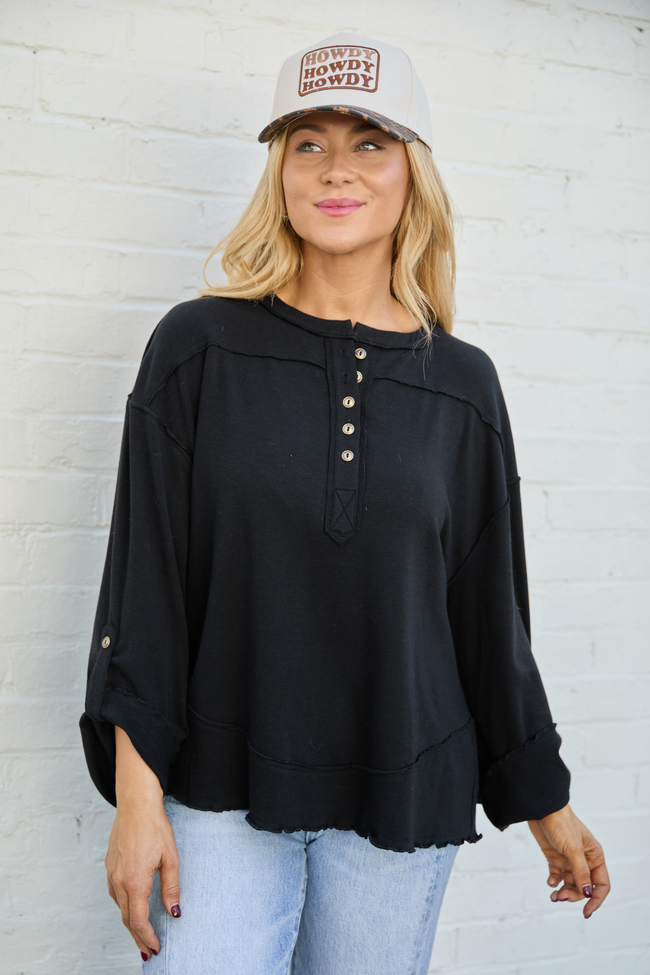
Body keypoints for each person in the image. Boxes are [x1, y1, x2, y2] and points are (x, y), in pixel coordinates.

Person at [80, 31, 610, 975]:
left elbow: (489, 618)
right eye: (308, 143)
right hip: (217, 790)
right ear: (280, 173)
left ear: (413, 173)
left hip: (401, 799)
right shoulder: (197, 350)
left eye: (370, 142)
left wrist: (546, 799)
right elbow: (143, 591)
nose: (337, 168)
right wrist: (137, 798)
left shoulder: (463, 386)